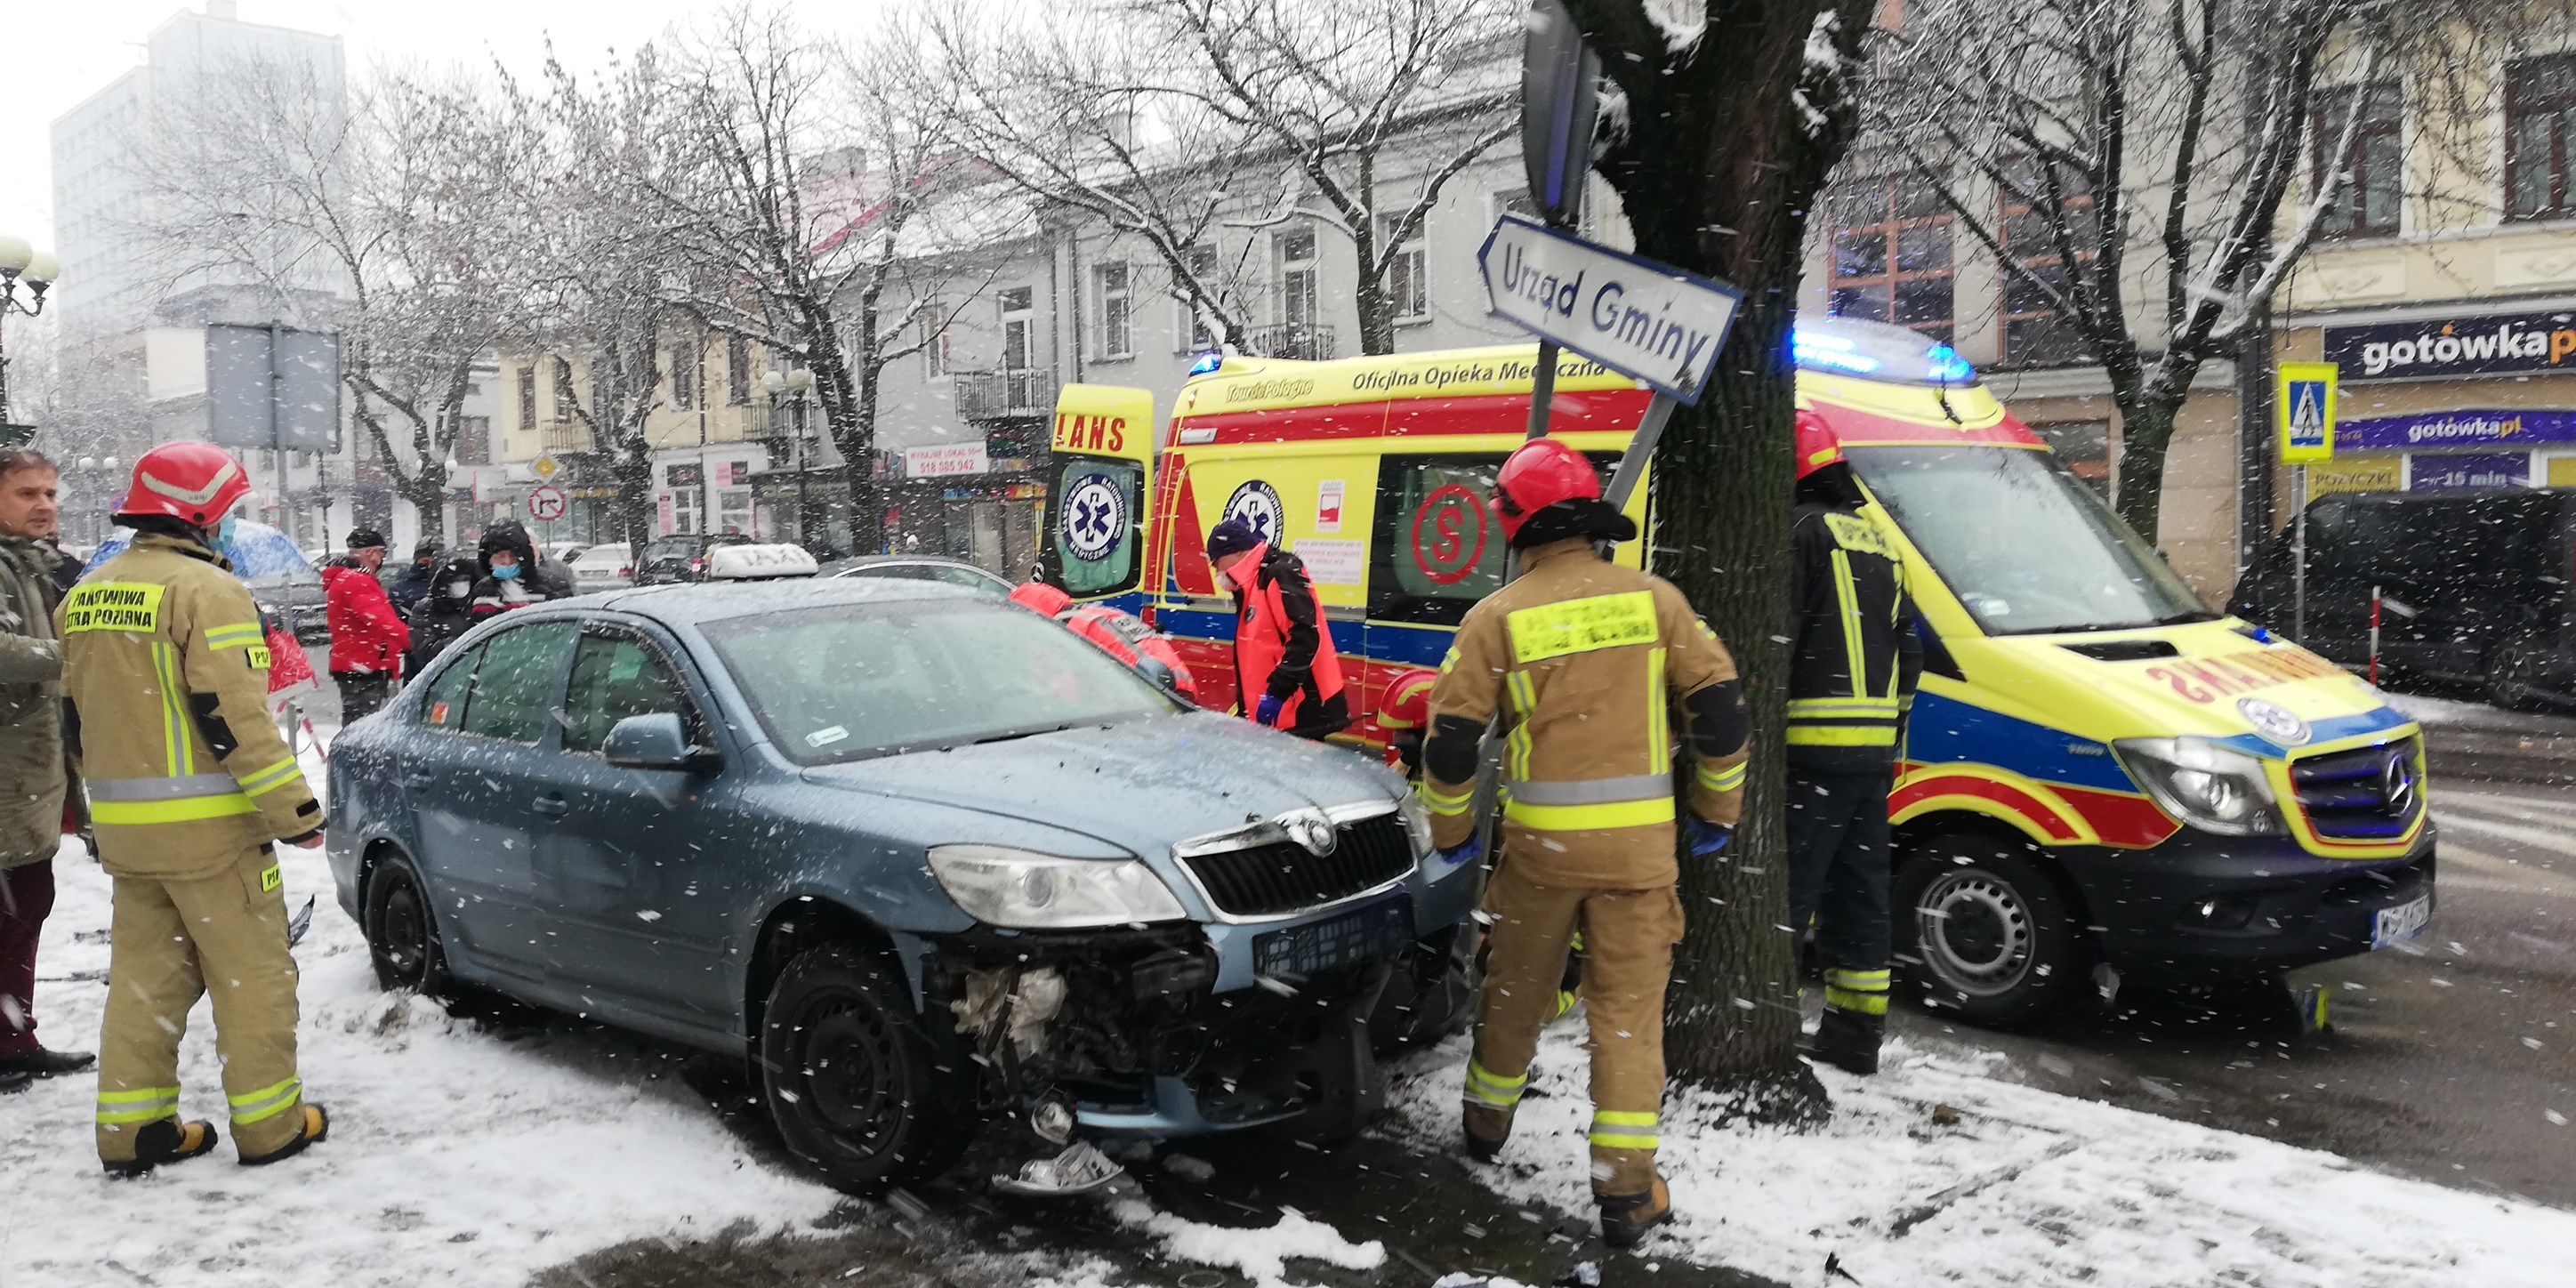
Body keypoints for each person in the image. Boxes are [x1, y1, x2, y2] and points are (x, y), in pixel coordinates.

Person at [1418, 439, 1749, 1250]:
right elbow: (1724, 713)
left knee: (1517, 989)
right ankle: (1628, 1192)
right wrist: (1718, 809)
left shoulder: (1495, 618)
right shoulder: (1658, 603)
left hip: (1538, 856)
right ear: (1590, 520)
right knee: (1628, 1016)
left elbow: (1452, 743)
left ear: (1513, 523)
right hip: (1641, 856)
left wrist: (1454, 835)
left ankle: (1486, 1123)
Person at [57, 440, 329, 1176]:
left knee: (145, 984)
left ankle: (133, 1131)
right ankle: (273, 1125)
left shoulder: (86, 594)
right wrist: (295, 810)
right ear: (202, 513)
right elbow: (231, 716)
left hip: (129, 838)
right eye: (228, 510)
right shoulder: (208, 592)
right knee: (255, 979)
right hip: (213, 836)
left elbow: (74, 722)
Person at [1784, 414, 1923, 1076]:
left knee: (1786, 895)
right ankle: (1855, 1035)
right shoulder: (1880, 542)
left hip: (1805, 747)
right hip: (1871, 755)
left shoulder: (1798, 534)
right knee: (1860, 894)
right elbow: (1911, 649)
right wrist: (1890, 731)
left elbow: (1773, 641)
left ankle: (1766, 1026)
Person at [0, 450, 94, 1094]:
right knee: (12, 908)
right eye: (27, 493)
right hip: (7, 776)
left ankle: (14, 1038)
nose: (44, 504)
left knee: (28, 904)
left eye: (51, 493)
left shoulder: (30, 566)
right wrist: (77, 654)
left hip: (29, 773)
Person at [1203, 519, 1348, 739]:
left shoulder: (1278, 574)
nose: (1217, 573)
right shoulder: (1253, 584)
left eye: (1217, 563)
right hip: (1278, 719)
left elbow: (1304, 637)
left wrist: (1276, 694)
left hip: (1298, 712)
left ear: (1237, 552)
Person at [1007, 580, 1203, 704]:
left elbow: (1067, 699)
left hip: (1152, 698)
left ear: (1034, 617)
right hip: (1180, 691)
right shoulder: (1100, 614)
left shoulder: (1064, 634)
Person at [320, 528, 409, 726]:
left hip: (360, 665)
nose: (382, 559)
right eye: (381, 552)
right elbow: (382, 620)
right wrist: (413, 641)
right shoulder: (355, 580)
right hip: (364, 668)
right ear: (370, 553)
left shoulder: (352, 578)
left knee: (359, 725)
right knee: (363, 730)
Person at [468, 521, 573, 617]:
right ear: (488, 560)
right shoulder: (481, 590)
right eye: (501, 556)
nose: (507, 562)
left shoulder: (552, 586)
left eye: (513, 556)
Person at [405, 552, 486, 675]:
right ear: (443, 583)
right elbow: (425, 652)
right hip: (445, 679)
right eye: (457, 580)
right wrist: (465, 644)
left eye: (466, 580)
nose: (462, 584)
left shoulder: (476, 603)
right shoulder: (425, 609)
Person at [386, 539, 441, 618]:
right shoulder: (400, 587)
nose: (430, 566)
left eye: (434, 562)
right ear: (416, 560)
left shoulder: (450, 581)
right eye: (425, 562)